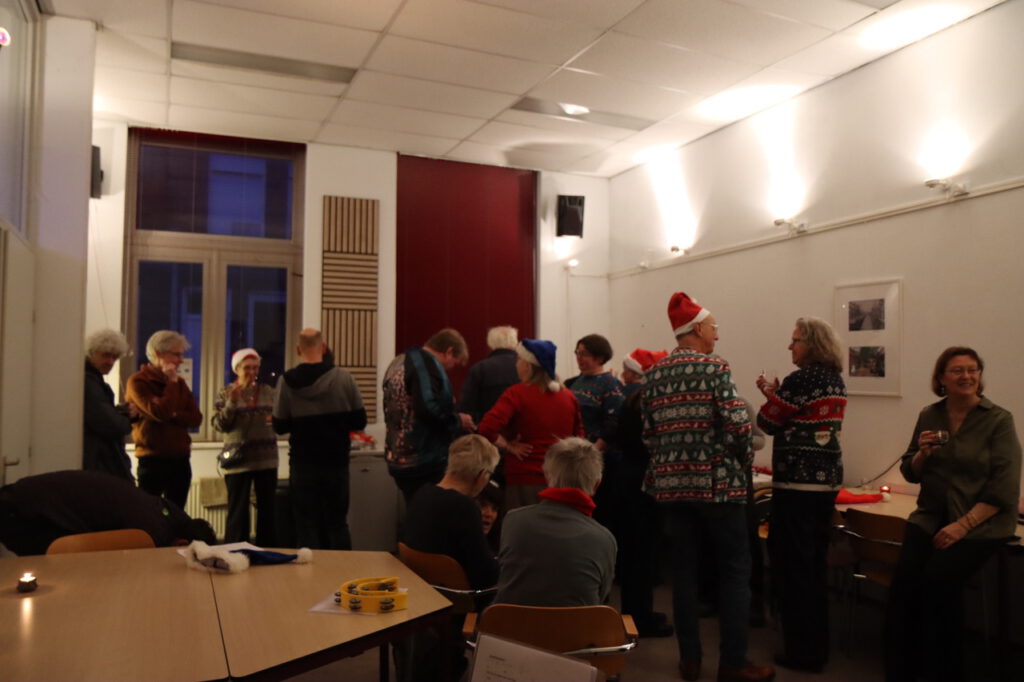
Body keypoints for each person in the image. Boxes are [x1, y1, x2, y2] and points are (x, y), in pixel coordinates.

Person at [642, 292, 773, 682]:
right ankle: (732, 662)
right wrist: (740, 461)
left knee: (684, 574)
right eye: (714, 328)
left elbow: (649, 435)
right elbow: (739, 424)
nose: (717, 335)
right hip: (718, 488)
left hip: (672, 488)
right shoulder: (715, 367)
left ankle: (690, 660)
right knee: (734, 571)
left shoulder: (654, 374)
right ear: (698, 328)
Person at [884, 347, 1021, 682]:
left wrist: (962, 526)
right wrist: (923, 455)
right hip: (931, 516)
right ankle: (904, 671)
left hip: (981, 522)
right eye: (958, 370)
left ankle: (944, 671)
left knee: (937, 585)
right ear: (941, 378)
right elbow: (910, 471)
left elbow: (1004, 489)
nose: (967, 376)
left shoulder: (998, 420)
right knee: (903, 589)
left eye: (973, 370)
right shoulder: (930, 414)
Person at [755, 317, 847, 673]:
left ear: (811, 344)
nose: (790, 346)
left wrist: (773, 400)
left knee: (793, 569)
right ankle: (816, 647)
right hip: (826, 484)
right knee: (813, 569)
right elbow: (796, 414)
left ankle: (801, 652)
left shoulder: (802, 379)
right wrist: (777, 398)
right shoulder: (834, 379)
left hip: (797, 485)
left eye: (795, 340)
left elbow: (767, 423)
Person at [493, 437, 616, 607]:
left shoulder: (513, 521)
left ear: (547, 476)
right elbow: (601, 597)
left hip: (511, 624)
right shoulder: (604, 539)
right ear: (596, 484)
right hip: (578, 624)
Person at [272, 328, 366, 550]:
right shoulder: (344, 378)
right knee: (337, 524)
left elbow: (279, 426)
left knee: (306, 526)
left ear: (298, 350)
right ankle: (343, 569)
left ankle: (310, 571)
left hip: (303, 464)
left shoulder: (286, 382)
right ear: (323, 347)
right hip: (336, 463)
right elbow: (359, 421)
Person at [0, 470, 215, 555]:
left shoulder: (163, 510)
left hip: (21, 497)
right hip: (24, 512)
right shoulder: (152, 532)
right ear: (181, 544)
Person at [477, 338, 583, 509]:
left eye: (518, 360)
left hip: (524, 479)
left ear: (528, 365)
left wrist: (508, 446)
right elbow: (579, 438)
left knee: (522, 524)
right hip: (560, 480)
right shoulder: (569, 397)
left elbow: (486, 428)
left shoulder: (516, 394)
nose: (516, 364)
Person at [614, 348, 673, 637]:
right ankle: (641, 619)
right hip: (645, 483)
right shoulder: (650, 403)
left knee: (633, 553)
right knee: (644, 554)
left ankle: (635, 612)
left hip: (627, 480)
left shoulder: (631, 400)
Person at [383, 328, 475, 505]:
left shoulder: (398, 362)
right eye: (454, 362)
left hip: (398, 456)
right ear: (448, 351)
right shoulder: (425, 365)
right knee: (431, 513)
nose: (450, 369)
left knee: (416, 511)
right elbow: (428, 409)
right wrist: (458, 421)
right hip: (422, 460)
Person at [403, 434, 500, 590]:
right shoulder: (464, 507)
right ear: (482, 476)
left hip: (424, 589)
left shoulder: (422, 494)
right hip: (459, 596)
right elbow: (485, 575)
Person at [126, 330, 203, 509]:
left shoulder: (179, 383)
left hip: (180, 459)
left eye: (181, 355)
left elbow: (196, 418)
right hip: (153, 460)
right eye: (176, 354)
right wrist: (171, 384)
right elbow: (160, 412)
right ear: (159, 354)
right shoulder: (138, 382)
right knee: (149, 513)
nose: (181, 360)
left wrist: (173, 414)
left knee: (175, 513)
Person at [211, 348, 279, 545]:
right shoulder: (225, 393)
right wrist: (232, 403)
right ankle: (235, 551)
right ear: (237, 369)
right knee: (238, 511)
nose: (252, 372)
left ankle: (267, 552)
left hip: (266, 459)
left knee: (268, 511)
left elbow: (279, 420)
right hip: (238, 461)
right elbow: (218, 425)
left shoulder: (269, 392)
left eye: (255, 368)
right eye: (247, 368)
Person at [83, 328, 137, 482]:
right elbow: (111, 424)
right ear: (91, 353)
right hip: (99, 463)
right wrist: (127, 416)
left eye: (115, 357)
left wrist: (121, 411)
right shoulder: (88, 382)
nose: (111, 362)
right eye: (106, 355)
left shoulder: (93, 380)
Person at [565, 333, 623, 453]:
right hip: (573, 449)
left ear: (600, 358)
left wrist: (594, 450)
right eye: (578, 352)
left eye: (585, 354)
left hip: (594, 453)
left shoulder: (610, 383)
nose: (579, 357)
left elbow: (613, 422)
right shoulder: (573, 383)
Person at [457, 325, 519, 424]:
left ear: (490, 344)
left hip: (488, 427)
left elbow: (467, 407)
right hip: (521, 429)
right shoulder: (526, 368)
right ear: (515, 343)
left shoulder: (479, 369)